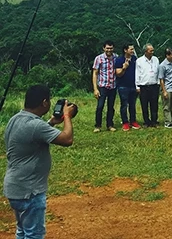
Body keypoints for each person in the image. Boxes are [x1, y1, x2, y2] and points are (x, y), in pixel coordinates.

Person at [3, 85, 76, 238]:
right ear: (44, 103)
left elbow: (34, 135)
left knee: (23, 231)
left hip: (15, 188)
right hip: (30, 191)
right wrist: (67, 116)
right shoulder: (36, 125)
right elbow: (67, 139)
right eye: (49, 100)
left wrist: (52, 121)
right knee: (33, 235)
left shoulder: (15, 119)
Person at [114, 44, 141, 131]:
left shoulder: (134, 59)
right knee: (124, 105)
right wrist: (124, 68)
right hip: (123, 86)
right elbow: (118, 73)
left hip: (133, 85)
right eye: (131, 49)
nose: (133, 51)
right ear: (125, 50)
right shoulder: (119, 60)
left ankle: (133, 121)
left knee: (132, 105)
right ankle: (125, 122)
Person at [92, 40, 117, 133]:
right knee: (100, 106)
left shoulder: (116, 57)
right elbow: (95, 73)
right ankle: (98, 125)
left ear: (113, 48)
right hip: (102, 86)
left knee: (111, 107)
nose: (109, 50)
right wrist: (95, 89)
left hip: (113, 86)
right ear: (104, 48)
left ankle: (110, 124)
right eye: (107, 48)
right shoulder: (99, 58)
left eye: (111, 48)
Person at [136, 43, 160, 128]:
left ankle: (154, 121)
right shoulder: (139, 61)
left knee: (154, 105)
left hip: (154, 85)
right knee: (144, 105)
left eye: (153, 50)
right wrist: (137, 86)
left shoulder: (156, 59)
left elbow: (158, 72)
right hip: (144, 86)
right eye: (151, 50)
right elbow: (137, 74)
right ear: (146, 51)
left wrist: (158, 83)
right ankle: (146, 121)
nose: (152, 52)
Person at [158, 48, 172, 129]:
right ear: (167, 55)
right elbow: (161, 79)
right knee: (166, 105)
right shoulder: (162, 65)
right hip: (168, 87)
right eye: (171, 55)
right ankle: (167, 122)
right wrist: (164, 91)